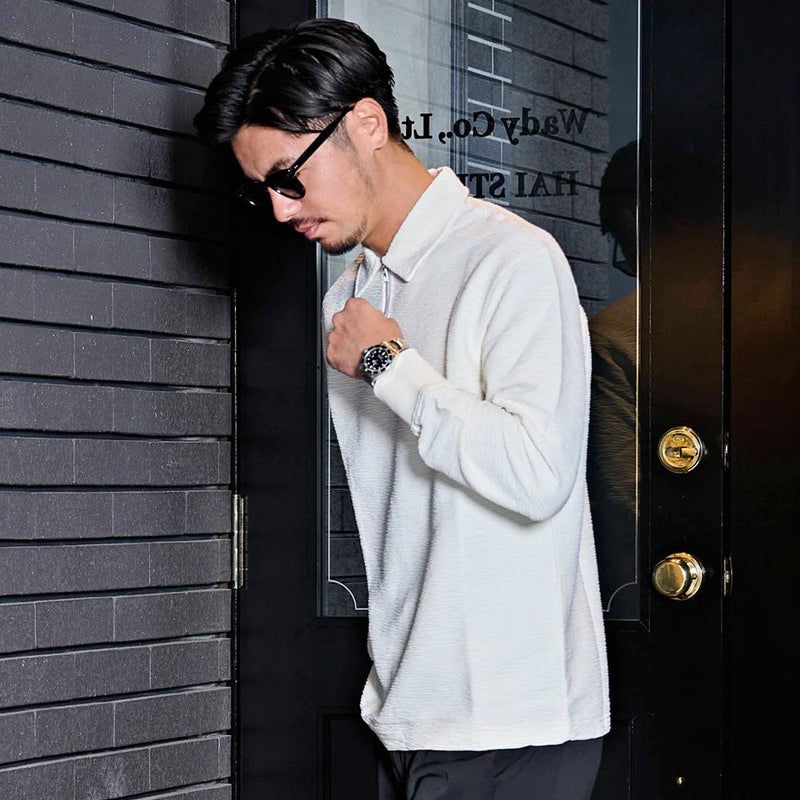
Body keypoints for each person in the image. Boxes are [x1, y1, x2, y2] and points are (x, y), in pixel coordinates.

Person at [195, 17, 610, 799]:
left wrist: (391, 365)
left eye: (289, 177)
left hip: (510, 725)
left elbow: (538, 474)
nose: (280, 210)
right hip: (409, 713)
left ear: (366, 123)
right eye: (263, 191)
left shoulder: (511, 260)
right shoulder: (351, 298)